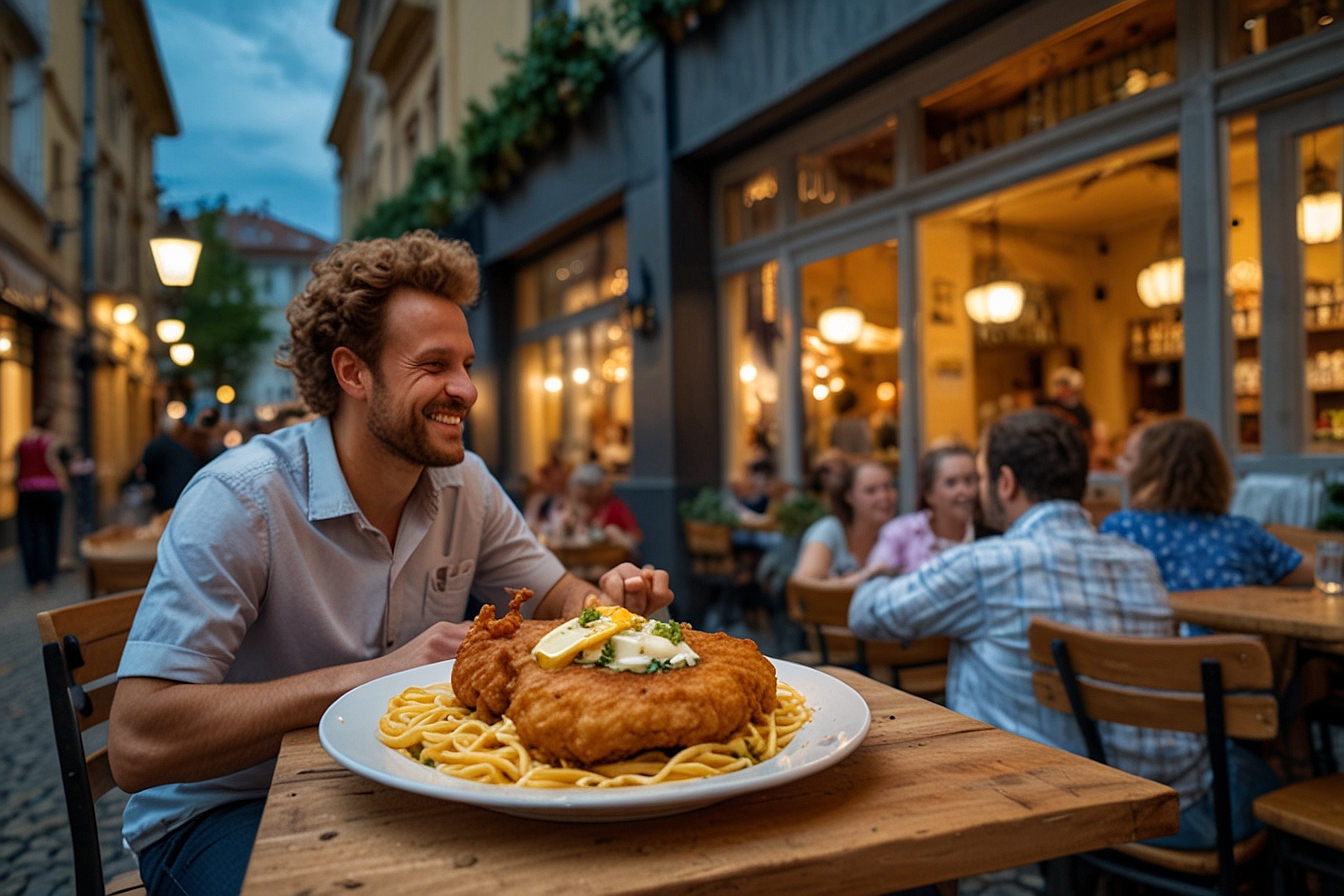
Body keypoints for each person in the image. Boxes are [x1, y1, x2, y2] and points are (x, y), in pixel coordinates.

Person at [107, 231, 672, 896]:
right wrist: (376, 676)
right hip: (223, 810)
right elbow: (137, 744)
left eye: (466, 364)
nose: (466, 389)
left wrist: (607, 606)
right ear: (353, 373)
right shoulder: (241, 499)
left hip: (393, 782)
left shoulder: (467, 483)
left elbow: (556, 594)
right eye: (434, 365)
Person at [848, 409, 1277, 851]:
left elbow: (866, 614)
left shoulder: (982, 564)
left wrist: (880, 571)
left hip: (1058, 805)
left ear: (1006, 482)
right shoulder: (1138, 561)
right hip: (1174, 799)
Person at [1101, 418, 1311, 615]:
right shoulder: (1242, 535)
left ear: (1150, 473)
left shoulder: (1122, 529)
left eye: (1128, 459)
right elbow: (1318, 571)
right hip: (1236, 642)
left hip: (1149, 642)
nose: (1119, 465)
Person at [868, 445, 978, 575]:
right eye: (951, 483)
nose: (963, 491)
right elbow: (875, 581)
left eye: (969, 480)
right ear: (929, 493)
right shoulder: (901, 533)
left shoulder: (989, 536)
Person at [792, 460, 897, 588]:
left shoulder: (899, 533)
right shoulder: (829, 530)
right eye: (871, 490)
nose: (884, 496)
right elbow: (803, 584)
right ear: (849, 496)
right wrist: (861, 577)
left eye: (888, 487)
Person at [16, 406, 67, 591]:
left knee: (29, 534)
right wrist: (63, 482)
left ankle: (33, 576)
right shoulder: (51, 441)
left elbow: (19, 466)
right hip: (50, 490)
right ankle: (47, 575)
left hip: (27, 490)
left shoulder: (23, 441)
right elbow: (55, 463)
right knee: (49, 533)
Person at [1038, 366, 1110, 466]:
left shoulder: (1082, 411)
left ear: (1075, 389)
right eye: (1059, 385)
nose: (1062, 389)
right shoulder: (1048, 405)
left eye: (1066, 386)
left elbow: (1087, 435)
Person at [137, 415, 204, 513]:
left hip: (167, 498)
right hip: (186, 497)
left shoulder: (159, 445)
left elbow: (145, 469)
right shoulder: (186, 448)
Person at [828, 388, 873, 460]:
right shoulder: (859, 424)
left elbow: (833, 449)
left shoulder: (835, 424)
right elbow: (866, 452)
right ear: (855, 404)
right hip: (858, 463)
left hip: (839, 463)